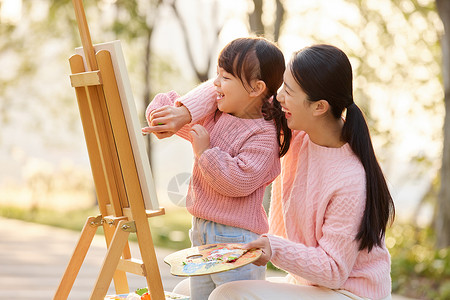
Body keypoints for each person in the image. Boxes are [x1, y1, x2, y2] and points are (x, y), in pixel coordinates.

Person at [145, 44, 396, 300]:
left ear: (319, 107)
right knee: (184, 291)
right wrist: (183, 112)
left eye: (288, 91)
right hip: (310, 286)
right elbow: (233, 88)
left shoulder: (350, 179)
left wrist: (273, 247)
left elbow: (333, 271)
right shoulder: (298, 132)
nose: (277, 97)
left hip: (348, 293)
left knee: (228, 295)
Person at [142, 37, 291, 300]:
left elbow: (238, 181)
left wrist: (205, 153)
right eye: (217, 75)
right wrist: (178, 113)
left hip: (237, 239)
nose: (215, 84)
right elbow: (163, 106)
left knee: (233, 296)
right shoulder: (214, 116)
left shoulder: (264, 134)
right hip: (201, 232)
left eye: (225, 77)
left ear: (256, 88)